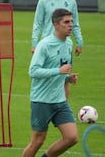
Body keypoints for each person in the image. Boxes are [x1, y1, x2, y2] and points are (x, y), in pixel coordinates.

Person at [22, 9, 79, 157]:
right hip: (42, 101)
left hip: (59, 101)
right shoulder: (44, 45)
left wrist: (68, 78)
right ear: (55, 24)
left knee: (72, 137)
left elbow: (62, 69)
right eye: (66, 22)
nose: (71, 25)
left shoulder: (68, 43)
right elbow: (33, 71)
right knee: (37, 141)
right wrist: (58, 71)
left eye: (71, 21)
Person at [31, 0, 84, 99]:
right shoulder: (43, 1)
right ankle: (42, 105)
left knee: (64, 80)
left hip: (64, 45)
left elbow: (75, 23)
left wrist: (79, 41)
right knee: (47, 78)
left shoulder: (71, 1)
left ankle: (62, 112)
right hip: (48, 46)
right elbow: (37, 24)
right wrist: (34, 44)